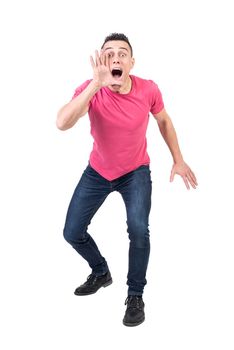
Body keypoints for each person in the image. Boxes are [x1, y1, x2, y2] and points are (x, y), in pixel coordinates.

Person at [56, 33, 198, 327]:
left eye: (122, 54)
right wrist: (96, 84)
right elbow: (62, 123)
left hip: (135, 172)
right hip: (98, 171)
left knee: (138, 230)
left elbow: (163, 120)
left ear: (132, 62)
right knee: (72, 232)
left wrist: (178, 158)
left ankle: (135, 295)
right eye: (109, 54)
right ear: (102, 61)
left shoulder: (148, 89)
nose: (116, 58)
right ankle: (100, 272)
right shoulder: (91, 90)